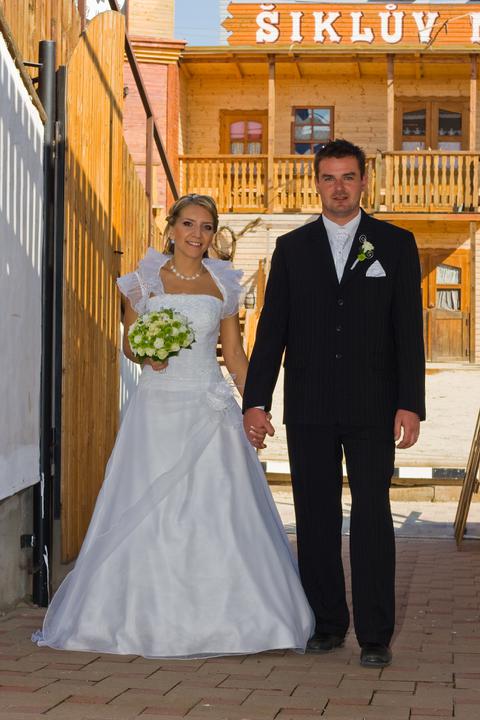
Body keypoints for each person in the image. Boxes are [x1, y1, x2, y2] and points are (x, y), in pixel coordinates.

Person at [34, 194, 314, 658]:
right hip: (157, 409)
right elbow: (129, 343)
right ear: (171, 228)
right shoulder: (143, 281)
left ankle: (240, 619)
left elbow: (235, 355)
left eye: (206, 227)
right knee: (147, 505)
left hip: (209, 407)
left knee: (220, 507)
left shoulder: (222, 285)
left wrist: (256, 406)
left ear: (213, 234)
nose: (196, 235)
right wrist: (148, 353)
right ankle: (137, 617)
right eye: (188, 224)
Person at [242, 140, 425, 668]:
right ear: (316, 183)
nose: (339, 187)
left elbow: (407, 331)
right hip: (310, 406)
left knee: (372, 517)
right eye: (329, 177)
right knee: (315, 516)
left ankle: (375, 635)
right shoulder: (292, 248)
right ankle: (326, 623)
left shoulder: (396, 244)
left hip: (374, 407)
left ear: (364, 181)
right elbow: (272, 330)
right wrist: (256, 401)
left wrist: (410, 403)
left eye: (348, 177)